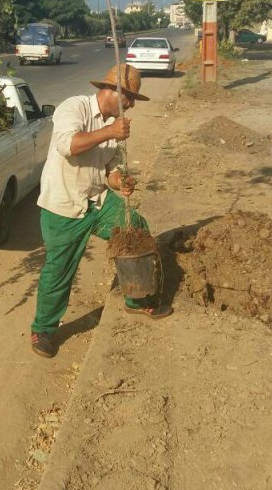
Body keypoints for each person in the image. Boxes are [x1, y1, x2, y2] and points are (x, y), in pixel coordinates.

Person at [30, 63, 171, 359]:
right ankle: (43, 329)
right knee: (59, 271)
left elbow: (110, 174)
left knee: (136, 229)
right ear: (110, 90)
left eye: (133, 99)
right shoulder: (74, 107)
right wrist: (108, 131)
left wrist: (123, 181)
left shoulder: (116, 126)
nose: (131, 105)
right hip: (64, 205)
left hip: (98, 200)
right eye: (129, 97)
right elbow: (67, 145)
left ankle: (136, 298)